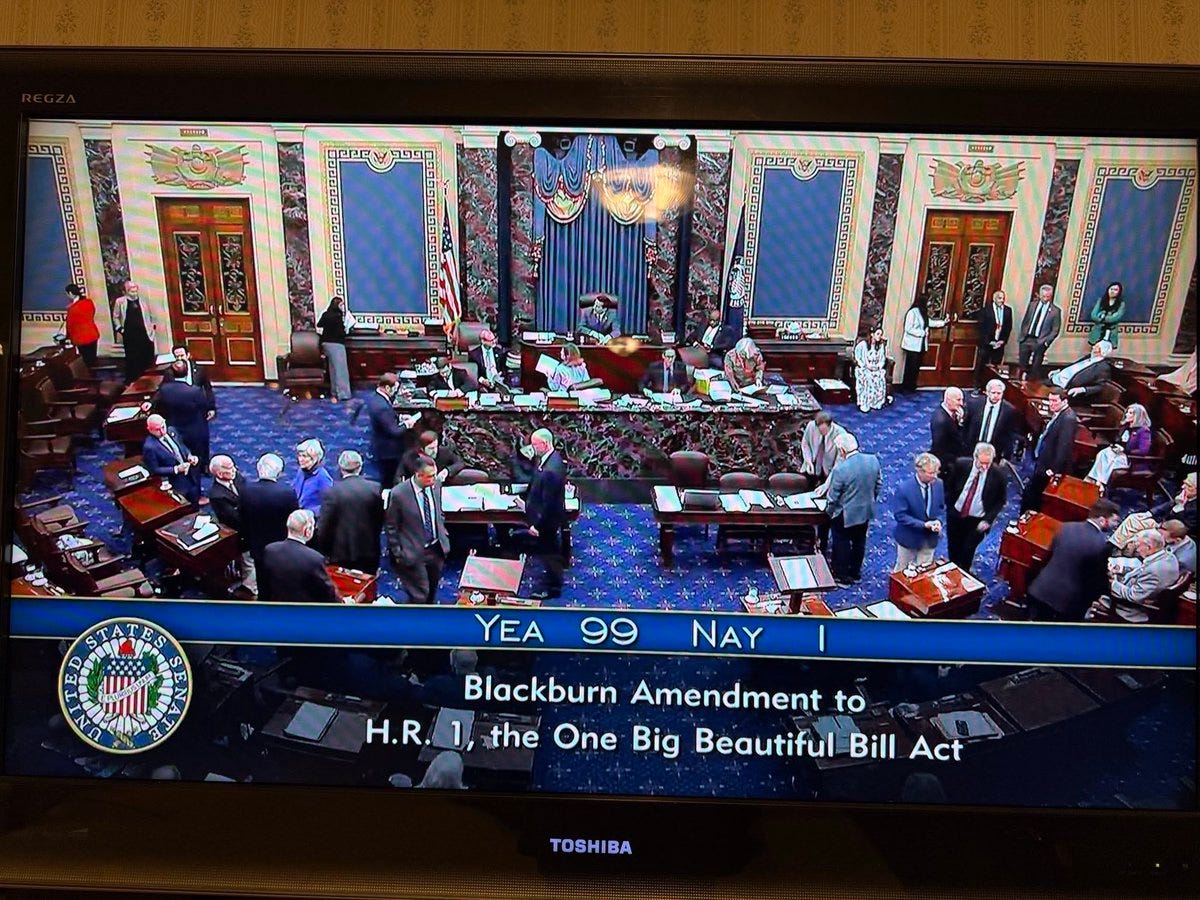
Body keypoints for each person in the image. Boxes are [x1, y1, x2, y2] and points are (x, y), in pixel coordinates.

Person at [1026, 499, 1121, 621]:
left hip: (1041, 589)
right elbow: (1096, 581)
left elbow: (1047, 558)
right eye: (1114, 521)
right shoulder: (1101, 544)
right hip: (1067, 604)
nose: (1115, 525)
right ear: (1103, 520)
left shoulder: (1066, 527)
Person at [385, 453, 450, 605]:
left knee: (432, 592)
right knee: (420, 595)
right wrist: (398, 553)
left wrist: (443, 532)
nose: (434, 479)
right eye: (430, 476)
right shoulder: (399, 494)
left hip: (436, 548)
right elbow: (391, 525)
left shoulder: (436, 485)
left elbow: (438, 512)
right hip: (413, 551)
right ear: (418, 475)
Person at [513, 428, 568, 599]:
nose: (532, 448)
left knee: (549, 552)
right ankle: (554, 581)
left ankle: (553, 588)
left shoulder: (551, 470)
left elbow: (548, 504)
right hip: (545, 514)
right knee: (549, 550)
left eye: (535, 444)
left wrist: (538, 526)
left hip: (547, 521)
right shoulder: (550, 458)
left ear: (545, 444)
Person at [824, 432, 882, 587]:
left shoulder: (841, 469)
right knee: (859, 541)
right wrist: (869, 500)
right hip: (865, 511)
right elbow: (878, 485)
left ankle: (842, 576)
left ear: (842, 450)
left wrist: (828, 513)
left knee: (841, 543)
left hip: (844, 514)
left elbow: (833, 497)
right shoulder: (872, 460)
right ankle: (855, 573)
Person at [315, 450, 384, 573]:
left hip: (340, 554)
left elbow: (324, 527)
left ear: (340, 468)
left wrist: (324, 551)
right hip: (369, 550)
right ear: (360, 467)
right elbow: (380, 519)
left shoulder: (332, 492)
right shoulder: (375, 488)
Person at [241, 453, 300, 597]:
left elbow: (242, 518)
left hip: (256, 544)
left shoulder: (246, 490)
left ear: (258, 468)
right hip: (281, 545)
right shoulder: (287, 493)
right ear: (279, 473)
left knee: (262, 579)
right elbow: (293, 519)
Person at [944, 442, 1009, 573]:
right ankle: (952, 571)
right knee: (953, 547)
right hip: (956, 515)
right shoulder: (961, 464)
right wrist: (949, 506)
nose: (984, 467)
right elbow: (948, 487)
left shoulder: (999, 475)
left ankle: (963, 573)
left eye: (988, 463)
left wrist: (988, 520)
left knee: (967, 551)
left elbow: (1001, 500)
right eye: (981, 463)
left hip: (977, 521)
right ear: (975, 457)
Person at [1091, 529, 1180, 623]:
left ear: (1149, 548)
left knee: (1094, 582)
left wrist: (1112, 583)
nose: (1136, 550)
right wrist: (1121, 570)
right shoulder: (1169, 557)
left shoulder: (1154, 570)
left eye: (1138, 546)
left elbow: (1133, 596)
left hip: (1130, 608)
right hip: (1137, 590)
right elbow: (1142, 572)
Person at [261, 509, 339, 604]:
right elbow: (328, 594)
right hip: (304, 611)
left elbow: (264, 586)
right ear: (307, 531)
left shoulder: (269, 550)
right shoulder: (315, 559)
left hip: (275, 609)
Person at [1020, 386, 1078, 512]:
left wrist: (1054, 469)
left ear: (1064, 401)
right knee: (1031, 491)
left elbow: (1064, 446)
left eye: (1055, 401)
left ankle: (1027, 517)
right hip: (1043, 461)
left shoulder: (1068, 419)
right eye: (1050, 400)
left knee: (1033, 493)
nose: (1051, 404)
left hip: (1049, 467)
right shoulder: (1059, 414)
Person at [207, 455, 256, 597]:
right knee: (248, 561)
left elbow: (248, 492)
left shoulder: (237, 477)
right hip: (238, 532)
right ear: (220, 474)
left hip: (250, 524)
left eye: (234, 466)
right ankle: (251, 589)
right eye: (230, 468)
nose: (234, 470)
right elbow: (235, 519)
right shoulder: (216, 495)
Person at [1111, 474, 1199, 548]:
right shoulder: (1184, 493)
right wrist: (1150, 513)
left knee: (1138, 536)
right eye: (1184, 483)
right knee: (1133, 518)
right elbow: (1170, 503)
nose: (1183, 487)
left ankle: (1124, 549)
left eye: (1189, 486)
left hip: (1171, 532)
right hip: (1162, 522)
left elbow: (1183, 529)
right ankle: (1114, 545)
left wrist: (1179, 508)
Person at [365, 373, 421, 490]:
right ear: (387, 388)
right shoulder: (382, 407)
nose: (396, 391)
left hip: (381, 442)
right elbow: (394, 431)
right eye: (395, 388)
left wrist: (400, 418)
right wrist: (408, 424)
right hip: (388, 451)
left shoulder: (377, 398)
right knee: (389, 478)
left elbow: (386, 419)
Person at [154, 361, 212, 472]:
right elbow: (203, 406)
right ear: (186, 373)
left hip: (173, 426)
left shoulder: (164, 389)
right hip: (194, 427)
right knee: (198, 450)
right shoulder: (195, 391)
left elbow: (160, 406)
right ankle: (202, 469)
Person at [891, 453, 945, 572]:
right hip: (909, 538)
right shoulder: (904, 489)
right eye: (931, 473)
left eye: (936, 472)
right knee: (902, 572)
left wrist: (939, 521)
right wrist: (923, 525)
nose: (935, 476)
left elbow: (941, 508)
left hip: (930, 539)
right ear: (920, 471)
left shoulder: (939, 484)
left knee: (925, 572)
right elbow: (901, 516)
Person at [1084, 403, 1152, 488]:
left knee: (1111, 460)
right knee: (1102, 453)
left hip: (1130, 458)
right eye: (1127, 412)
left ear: (1138, 416)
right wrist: (1115, 446)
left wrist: (1125, 450)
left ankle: (1100, 484)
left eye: (1130, 413)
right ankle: (1093, 480)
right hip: (1119, 452)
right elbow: (1119, 440)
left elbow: (1143, 450)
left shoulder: (1144, 431)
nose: (1126, 414)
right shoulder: (1125, 426)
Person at [141, 414, 200, 504]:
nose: (162, 431)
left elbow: (182, 446)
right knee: (185, 505)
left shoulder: (172, 430)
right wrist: (176, 469)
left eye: (163, 427)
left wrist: (189, 456)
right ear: (149, 429)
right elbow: (154, 469)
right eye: (157, 429)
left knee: (195, 496)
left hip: (190, 473)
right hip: (175, 481)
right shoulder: (149, 447)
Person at [112, 280, 157, 383]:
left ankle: (149, 379)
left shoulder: (143, 301)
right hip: (129, 335)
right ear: (126, 291)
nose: (134, 293)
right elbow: (116, 316)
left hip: (145, 333)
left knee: (147, 357)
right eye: (132, 291)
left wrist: (153, 328)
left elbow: (151, 315)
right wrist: (120, 328)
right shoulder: (120, 302)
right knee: (133, 359)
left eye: (136, 290)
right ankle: (134, 380)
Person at [963, 379, 1019, 461]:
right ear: (987, 392)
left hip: (993, 451)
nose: (996, 396)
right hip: (972, 448)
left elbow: (1010, 435)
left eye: (999, 393)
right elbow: (966, 426)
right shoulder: (975, 404)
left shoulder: (1009, 410)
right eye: (993, 393)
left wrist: (1006, 455)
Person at [1017, 283, 1061, 382]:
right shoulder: (1032, 305)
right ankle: (1020, 382)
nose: (1045, 299)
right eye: (1043, 296)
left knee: (1035, 367)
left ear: (1051, 296)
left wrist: (1046, 342)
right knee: (1022, 365)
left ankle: (1031, 384)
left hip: (1040, 341)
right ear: (1039, 295)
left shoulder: (1055, 311)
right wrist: (1022, 334)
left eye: (1047, 297)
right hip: (1026, 338)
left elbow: (1055, 330)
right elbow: (1026, 320)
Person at [1048, 339, 1113, 402]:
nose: (1093, 347)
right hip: (1056, 379)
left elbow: (1101, 387)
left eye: (1096, 347)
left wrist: (1082, 389)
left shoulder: (1103, 367)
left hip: (1068, 389)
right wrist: (1060, 371)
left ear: (1102, 351)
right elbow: (1073, 366)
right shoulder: (1088, 357)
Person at [164, 344, 216, 419]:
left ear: (188, 355)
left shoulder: (200, 370)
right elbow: (163, 389)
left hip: (197, 405)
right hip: (179, 408)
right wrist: (151, 402)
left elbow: (207, 389)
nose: (179, 359)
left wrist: (211, 407)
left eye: (182, 356)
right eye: (177, 356)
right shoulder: (169, 372)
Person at [317, 295, 353, 402]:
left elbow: (319, 324)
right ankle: (343, 394)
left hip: (325, 344)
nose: (342, 307)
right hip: (336, 344)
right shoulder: (338, 316)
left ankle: (334, 391)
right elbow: (341, 333)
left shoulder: (326, 314)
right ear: (337, 305)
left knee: (333, 369)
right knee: (341, 370)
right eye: (341, 305)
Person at [973, 289, 1012, 388]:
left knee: (996, 367)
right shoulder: (986, 310)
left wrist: (1002, 341)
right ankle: (979, 386)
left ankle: (993, 387)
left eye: (1003, 298)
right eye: (999, 298)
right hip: (987, 343)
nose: (1001, 300)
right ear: (994, 299)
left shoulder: (1008, 310)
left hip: (999, 343)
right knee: (982, 365)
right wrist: (989, 342)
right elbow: (981, 327)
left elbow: (1008, 327)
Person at [800, 412, 846, 485]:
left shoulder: (840, 433)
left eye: (824, 430)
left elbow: (840, 458)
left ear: (830, 425)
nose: (821, 432)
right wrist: (808, 461)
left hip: (829, 469)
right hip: (812, 464)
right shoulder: (811, 426)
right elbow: (805, 444)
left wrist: (832, 476)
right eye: (820, 430)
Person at [292, 438, 334, 515]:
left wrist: (310, 512)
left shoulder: (323, 477)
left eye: (304, 456)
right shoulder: (301, 472)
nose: (300, 459)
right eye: (299, 456)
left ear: (315, 458)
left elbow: (329, 504)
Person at [929, 387, 965, 475]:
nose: (961, 403)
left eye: (962, 400)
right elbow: (939, 447)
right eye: (958, 400)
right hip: (947, 463)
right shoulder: (941, 421)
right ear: (948, 400)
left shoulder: (952, 413)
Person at [853, 325, 888, 412]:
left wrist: (877, 367)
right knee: (867, 377)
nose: (879, 336)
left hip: (875, 368)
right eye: (878, 334)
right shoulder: (863, 345)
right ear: (872, 334)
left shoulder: (880, 346)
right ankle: (865, 403)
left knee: (880, 377)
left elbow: (882, 359)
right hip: (865, 368)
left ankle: (875, 402)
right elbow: (857, 357)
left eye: (881, 334)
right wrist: (865, 366)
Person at [63, 283, 100, 368]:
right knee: (92, 359)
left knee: (85, 361)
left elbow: (70, 326)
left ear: (70, 293)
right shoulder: (89, 302)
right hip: (92, 335)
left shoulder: (72, 309)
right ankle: (94, 374)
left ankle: (89, 375)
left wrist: (67, 337)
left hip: (81, 338)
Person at [899, 294, 930, 393]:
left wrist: (943, 322)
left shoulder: (923, 312)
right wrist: (921, 333)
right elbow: (908, 328)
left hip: (921, 345)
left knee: (916, 366)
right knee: (911, 366)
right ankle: (907, 386)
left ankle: (912, 385)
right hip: (912, 345)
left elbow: (928, 322)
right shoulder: (912, 312)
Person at [1088, 281, 1126, 348]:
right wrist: (1104, 317)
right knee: (1095, 351)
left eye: (1115, 290)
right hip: (1098, 331)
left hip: (1111, 332)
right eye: (1111, 289)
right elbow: (1093, 315)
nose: (1112, 291)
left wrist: (1102, 317)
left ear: (1119, 292)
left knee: (1106, 350)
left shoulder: (1121, 304)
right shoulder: (1100, 301)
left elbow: (1115, 318)